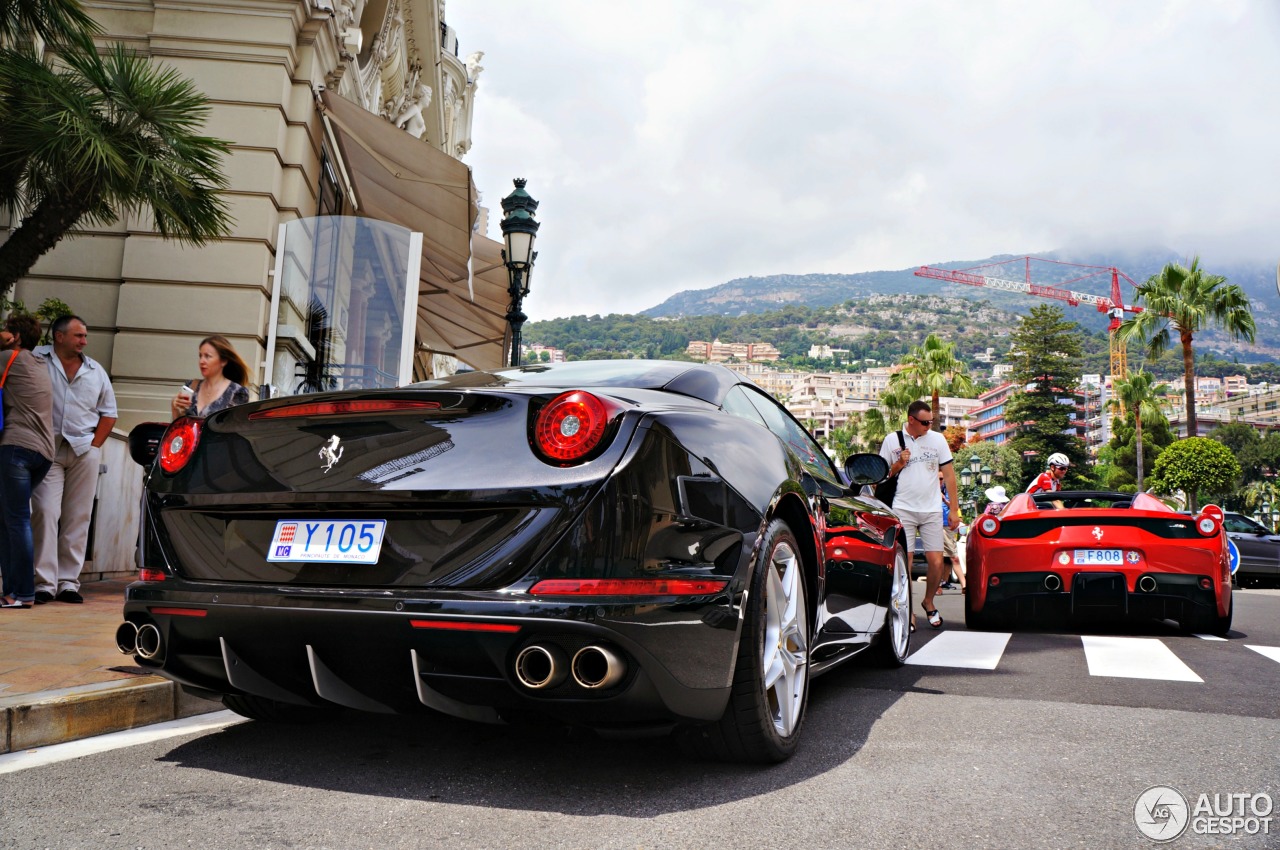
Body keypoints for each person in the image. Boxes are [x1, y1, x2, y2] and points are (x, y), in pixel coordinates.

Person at [30, 315, 118, 604]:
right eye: (78, 335)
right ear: (59, 336)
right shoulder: (37, 359)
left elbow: (109, 413)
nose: (84, 341)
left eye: (85, 335)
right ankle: (44, 583)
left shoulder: (96, 371)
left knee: (78, 518)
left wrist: (94, 446)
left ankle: (68, 582)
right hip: (47, 449)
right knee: (44, 511)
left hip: (84, 451)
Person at [879, 400, 960, 629]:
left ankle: (928, 601)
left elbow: (950, 475)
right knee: (907, 562)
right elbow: (882, 476)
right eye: (924, 422)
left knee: (936, 561)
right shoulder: (892, 440)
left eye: (931, 422)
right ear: (911, 420)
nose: (928, 426)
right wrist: (898, 464)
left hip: (932, 508)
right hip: (903, 507)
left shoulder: (937, 439)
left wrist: (954, 510)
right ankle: (909, 612)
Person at [0, 315, 55, 609]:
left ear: (16, 337)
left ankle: (21, 593)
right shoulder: (39, 364)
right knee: (8, 519)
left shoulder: (11, 357)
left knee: (17, 520)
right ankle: (12, 592)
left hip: (16, 449)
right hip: (43, 454)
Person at [170, 335, 250, 420]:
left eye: (207, 356)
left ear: (223, 361)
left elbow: (236, 428)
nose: (201, 361)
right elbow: (178, 426)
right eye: (200, 356)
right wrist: (175, 409)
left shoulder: (237, 392)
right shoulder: (190, 386)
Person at [937, 472, 965, 593]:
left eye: (942, 479)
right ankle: (939, 584)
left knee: (952, 556)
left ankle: (963, 585)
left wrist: (943, 498)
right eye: (938, 479)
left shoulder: (948, 490)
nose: (940, 481)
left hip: (946, 524)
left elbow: (955, 507)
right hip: (934, 523)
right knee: (939, 556)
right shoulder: (929, 490)